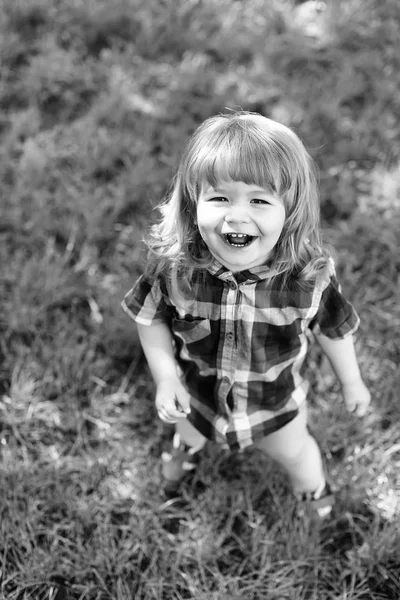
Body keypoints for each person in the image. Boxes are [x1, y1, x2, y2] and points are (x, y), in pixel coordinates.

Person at [122, 111, 371, 518]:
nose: (237, 216)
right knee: (188, 434)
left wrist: (352, 381)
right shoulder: (175, 270)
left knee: (296, 452)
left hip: (273, 403)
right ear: (192, 202)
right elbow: (150, 318)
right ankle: (184, 455)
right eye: (219, 198)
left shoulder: (308, 280)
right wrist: (166, 377)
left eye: (259, 200)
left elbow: (334, 330)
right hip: (199, 396)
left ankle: (312, 491)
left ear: (290, 212)